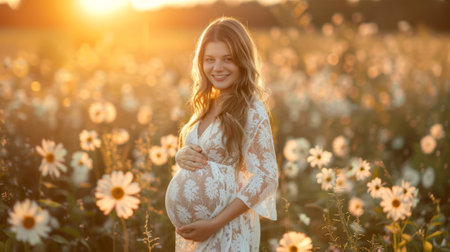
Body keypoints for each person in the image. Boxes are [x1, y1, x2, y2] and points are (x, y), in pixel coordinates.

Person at [165, 16, 278, 251]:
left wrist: (214, 224)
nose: (217, 68)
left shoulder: (251, 108)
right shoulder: (207, 103)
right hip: (196, 236)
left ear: (243, 61)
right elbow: (206, 159)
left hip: (228, 230)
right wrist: (181, 155)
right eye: (210, 59)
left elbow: (266, 177)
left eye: (228, 59)